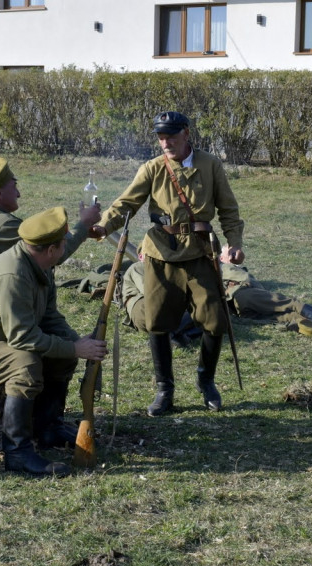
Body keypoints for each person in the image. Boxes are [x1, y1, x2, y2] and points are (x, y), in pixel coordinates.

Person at [0, 207, 108, 476]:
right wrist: (75, 347)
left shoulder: (40, 265)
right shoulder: (13, 275)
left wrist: (77, 345)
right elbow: (23, 337)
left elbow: (48, 317)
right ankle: (17, 452)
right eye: (62, 245)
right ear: (51, 250)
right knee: (24, 363)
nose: (65, 249)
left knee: (61, 352)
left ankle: (47, 428)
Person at [90, 111, 245, 417]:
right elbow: (126, 204)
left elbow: (228, 207)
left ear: (187, 133)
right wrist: (103, 226)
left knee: (215, 320)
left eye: (171, 137)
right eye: (161, 138)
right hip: (161, 254)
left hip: (201, 253)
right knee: (157, 322)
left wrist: (235, 242)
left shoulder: (210, 165)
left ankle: (206, 381)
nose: (166, 143)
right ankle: (165, 389)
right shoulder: (152, 168)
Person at [122, 249, 312, 339]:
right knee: (280, 312)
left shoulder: (216, 266)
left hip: (236, 295)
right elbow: (159, 297)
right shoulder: (138, 268)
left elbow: (241, 279)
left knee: (282, 305)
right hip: (229, 303)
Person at [0, 157, 101, 293]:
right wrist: (84, 224)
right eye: (14, 187)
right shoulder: (3, 225)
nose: (18, 194)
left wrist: (83, 230)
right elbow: (53, 254)